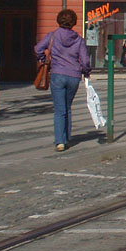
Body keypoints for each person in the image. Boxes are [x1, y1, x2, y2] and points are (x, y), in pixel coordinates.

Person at [34, 9, 91, 152]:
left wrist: (43, 59)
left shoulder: (53, 35)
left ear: (59, 20)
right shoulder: (79, 39)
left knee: (60, 109)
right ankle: (67, 138)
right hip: (74, 76)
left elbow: (38, 49)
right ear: (74, 22)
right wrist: (86, 72)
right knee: (67, 107)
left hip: (57, 74)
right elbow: (85, 61)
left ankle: (60, 141)